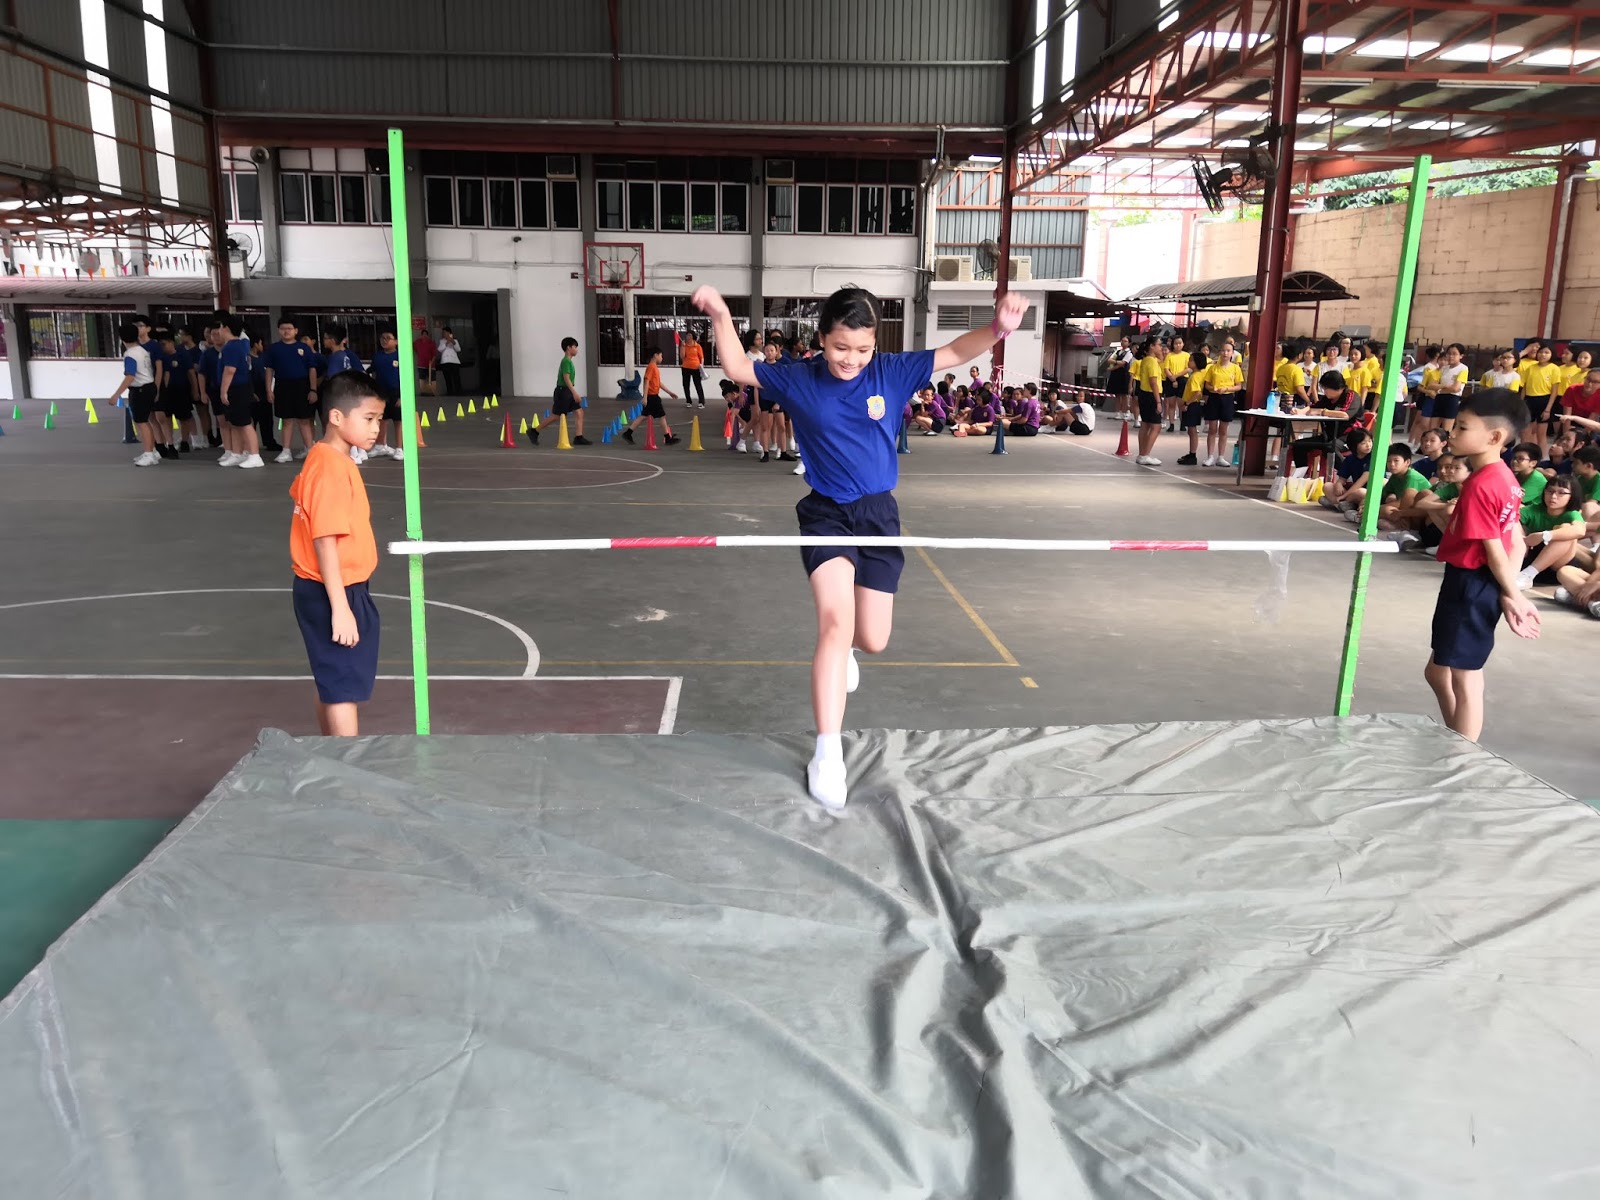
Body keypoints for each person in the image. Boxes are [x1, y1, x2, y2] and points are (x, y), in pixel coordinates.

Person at [692, 281, 1029, 812]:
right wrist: (719, 313)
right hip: (826, 514)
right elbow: (736, 367)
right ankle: (828, 753)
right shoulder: (799, 377)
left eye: (862, 349)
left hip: (878, 517)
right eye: (840, 347)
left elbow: (955, 352)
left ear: (876, 344)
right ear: (821, 339)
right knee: (834, 622)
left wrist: (997, 329)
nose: (850, 359)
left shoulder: (891, 372)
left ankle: (850, 648)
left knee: (872, 638)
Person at [1424, 388, 1541, 742]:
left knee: (1465, 677)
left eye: (1462, 427)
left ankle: (1464, 754)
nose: (1453, 434)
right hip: (1476, 582)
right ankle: (1458, 739)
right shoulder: (1505, 479)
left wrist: (1513, 595)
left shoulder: (1481, 485)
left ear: (1494, 437)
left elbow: (1495, 550)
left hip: (1471, 584)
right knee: (1437, 672)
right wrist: (1507, 591)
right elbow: (1515, 540)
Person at [289, 370, 387, 737]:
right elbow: (325, 541)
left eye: (379, 419)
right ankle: (347, 762)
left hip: (335, 587)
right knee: (343, 686)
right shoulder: (330, 468)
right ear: (336, 417)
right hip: (334, 590)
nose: (376, 428)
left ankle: (330, 750)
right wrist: (341, 609)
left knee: (332, 680)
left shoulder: (327, 458)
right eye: (369, 418)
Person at [265, 315, 318, 464]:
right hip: (282, 386)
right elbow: (269, 370)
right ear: (278, 330)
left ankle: (309, 450)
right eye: (283, 329)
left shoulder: (304, 348)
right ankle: (286, 451)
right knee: (286, 420)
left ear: (296, 331)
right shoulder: (274, 349)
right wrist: (269, 389)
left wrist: (313, 389)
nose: (286, 331)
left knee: (304, 420)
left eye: (289, 328)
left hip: (302, 386)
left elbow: (312, 369)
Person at [1516, 475, 1584, 590]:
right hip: (1531, 558)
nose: (1553, 496)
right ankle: (1525, 574)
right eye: (1550, 491)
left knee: (1566, 528)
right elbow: (1510, 519)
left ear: (1572, 496)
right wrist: (1521, 537)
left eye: (1561, 493)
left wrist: (1545, 535)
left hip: (1557, 567)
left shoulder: (1571, 514)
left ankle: (1529, 574)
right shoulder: (1534, 510)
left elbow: (1580, 530)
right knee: (1514, 521)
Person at [107, 322, 161, 467]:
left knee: (142, 422)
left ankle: (149, 454)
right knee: (143, 421)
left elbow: (130, 376)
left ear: (122, 339)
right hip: (148, 387)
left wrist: (116, 395)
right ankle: (151, 451)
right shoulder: (142, 350)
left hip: (140, 390)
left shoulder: (130, 354)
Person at [216, 314, 264, 469]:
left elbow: (230, 370)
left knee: (244, 423)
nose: (219, 331)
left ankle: (255, 455)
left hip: (237, 388)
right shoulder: (237, 345)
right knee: (235, 422)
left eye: (220, 327)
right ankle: (237, 453)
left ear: (226, 328)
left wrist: (223, 391)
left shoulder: (232, 347)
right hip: (239, 387)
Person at [1376, 442, 1432, 546]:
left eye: (1396, 461)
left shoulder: (1412, 477)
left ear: (1407, 462)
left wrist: (1373, 510)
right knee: (1384, 509)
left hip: (1419, 516)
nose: (1392, 464)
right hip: (1404, 512)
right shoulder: (1395, 476)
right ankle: (1400, 528)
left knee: (1386, 509)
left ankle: (1407, 530)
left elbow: (1402, 501)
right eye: (1389, 461)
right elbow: (1383, 495)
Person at [621, 346, 680, 445]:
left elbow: (658, 383)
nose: (662, 358)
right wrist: (645, 397)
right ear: (655, 355)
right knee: (662, 416)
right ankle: (667, 438)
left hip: (652, 396)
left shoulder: (654, 367)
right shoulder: (651, 367)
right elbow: (646, 381)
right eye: (661, 356)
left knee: (644, 416)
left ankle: (628, 433)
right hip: (652, 397)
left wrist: (669, 392)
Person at [1201, 341, 1243, 467]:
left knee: (1223, 429)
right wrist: (1213, 388)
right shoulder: (1213, 368)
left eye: (1228, 351)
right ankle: (1210, 456)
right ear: (1220, 352)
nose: (1225, 353)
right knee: (1212, 428)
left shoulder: (1235, 368)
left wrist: (1227, 389)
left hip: (1227, 398)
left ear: (1232, 353)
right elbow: (1207, 384)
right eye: (1223, 350)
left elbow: (1239, 386)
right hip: (1214, 397)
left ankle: (1221, 456)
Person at [369, 328, 405, 460]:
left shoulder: (400, 356)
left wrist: (402, 396)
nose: (384, 341)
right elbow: (373, 372)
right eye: (382, 338)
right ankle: (380, 445)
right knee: (381, 419)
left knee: (398, 420)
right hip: (381, 392)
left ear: (396, 341)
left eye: (388, 338)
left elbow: (405, 376)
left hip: (396, 392)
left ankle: (399, 448)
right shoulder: (377, 356)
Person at [1520, 343, 1561, 453]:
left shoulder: (1554, 368)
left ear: (1552, 354)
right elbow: (1524, 387)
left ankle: (1541, 458)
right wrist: (1521, 402)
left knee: (1541, 434)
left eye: (1546, 352)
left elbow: (1554, 391)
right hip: (1529, 400)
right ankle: (1523, 454)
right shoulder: (1530, 368)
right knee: (1525, 432)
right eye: (1541, 352)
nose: (1543, 355)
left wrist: (1548, 409)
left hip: (1544, 401)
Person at [552, 335, 591, 445]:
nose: (576, 349)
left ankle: (579, 437)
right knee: (556, 416)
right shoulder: (566, 362)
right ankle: (535, 431)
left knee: (579, 412)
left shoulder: (568, 361)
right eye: (575, 347)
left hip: (567, 391)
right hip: (563, 392)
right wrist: (575, 393)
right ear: (569, 348)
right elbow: (566, 378)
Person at [1132, 340, 1166, 465]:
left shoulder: (1146, 360)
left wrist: (1161, 354)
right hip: (1152, 395)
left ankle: (1142, 454)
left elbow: (1161, 360)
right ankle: (1145, 454)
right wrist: (1158, 401)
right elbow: (1153, 382)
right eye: (1159, 345)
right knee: (1156, 426)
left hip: (1144, 394)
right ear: (1152, 346)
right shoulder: (1151, 361)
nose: (1161, 347)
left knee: (1145, 425)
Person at [1175, 348, 1209, 465]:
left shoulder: (1194, 377)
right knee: (1191, 430)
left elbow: (1197, 393)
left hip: (1192, 405)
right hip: (1194, 404)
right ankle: (1191, 453)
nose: (1188, 362)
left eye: (1191, 360)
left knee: (1192, 430)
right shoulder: (1200, 373)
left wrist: (1187, 403)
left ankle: (1193, 454)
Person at [1104, 336, 1135, 425]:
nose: (1123, 342)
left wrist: (1114, 365)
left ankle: (1125, 412)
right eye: (1122, 341)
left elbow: (1123, 363)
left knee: (1124, 395)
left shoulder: (1129, 353)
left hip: (1124, 375)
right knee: (1117, 395)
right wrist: (1114, 363)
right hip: (1116, 375)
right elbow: (1109, 359)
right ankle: (1118, 412)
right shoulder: (1117, 351)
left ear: (1129, 343)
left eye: (1125, 341)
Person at [1509, 443, 1548, 508]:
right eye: (1514, 458)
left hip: (1534, 511)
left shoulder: (1537, 478)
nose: (1515, 461)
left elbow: (1514, 499)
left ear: (1533, 463)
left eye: (1520, 459)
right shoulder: (1517, 474)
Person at [680, 329, 706, 409]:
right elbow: (682, 357)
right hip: (685, 367)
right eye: (687, 335)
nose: (688, 337)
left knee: (698, 385)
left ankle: (701, 402)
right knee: (686, 385)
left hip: (696, 367)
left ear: (693, 336)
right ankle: (688, 401)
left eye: (689, 335)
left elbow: (701, 357)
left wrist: (701, 366)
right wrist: (682, 347)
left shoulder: (697, 346)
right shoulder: (684, 345)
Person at [436, 326, 463, 396]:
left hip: (454, 361)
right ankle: (450, 392)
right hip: (445, 362)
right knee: (447, 378)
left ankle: (458, 392)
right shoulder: (442, 341)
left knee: (456, 377)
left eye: (445, 332)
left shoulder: (455, 340)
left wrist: (453, 342)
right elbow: (439, 349)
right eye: (443, 333)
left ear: (449, 333)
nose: (443, 334)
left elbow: (458, 349)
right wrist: (446, 343)